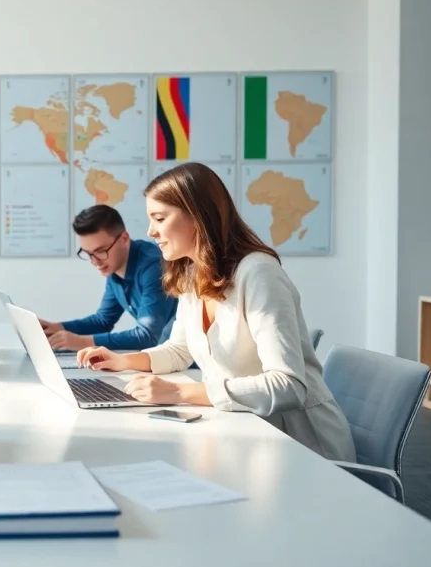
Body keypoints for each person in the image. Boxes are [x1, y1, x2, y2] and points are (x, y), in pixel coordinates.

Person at [77, 162, 355, 462]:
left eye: (159, 218)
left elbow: (288, 386)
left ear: (197, 216)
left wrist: (180, 393)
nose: (150, 231)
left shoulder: (259, 273)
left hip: (303, 446)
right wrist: (122, 361)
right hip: (246, 433)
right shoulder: (192, 273)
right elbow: (179, 350)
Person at [39, 205, 177, 352]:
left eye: (100, 251)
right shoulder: (114, 266)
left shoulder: (153, 267)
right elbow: (103, 321)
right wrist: (56, 328)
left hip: (188, 366)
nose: (95, 261)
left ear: (124, 239)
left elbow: (147, 336)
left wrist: (82, 342)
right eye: (88, 253)